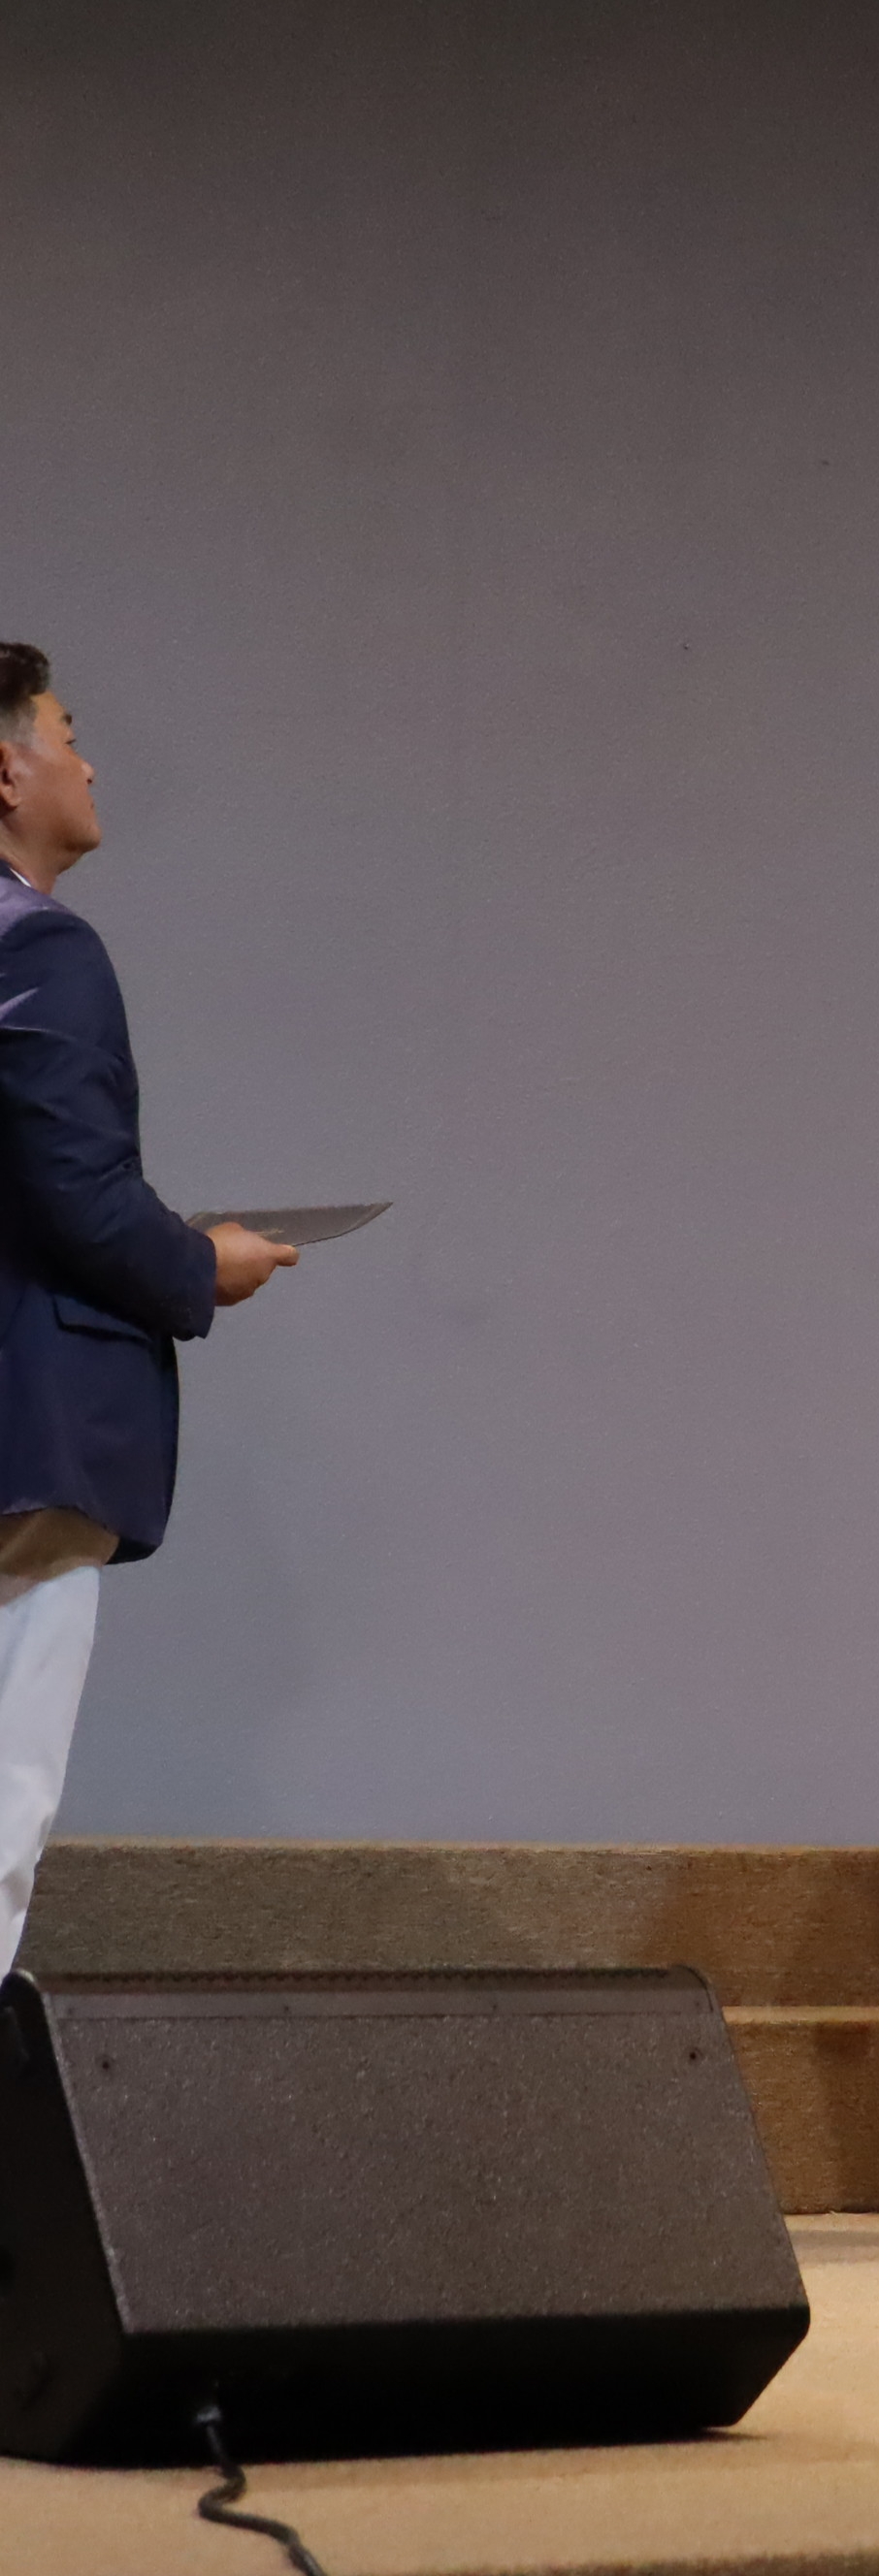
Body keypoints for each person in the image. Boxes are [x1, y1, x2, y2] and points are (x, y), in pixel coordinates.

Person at [0, 644, 296, 1972]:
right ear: (7, 771)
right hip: (25, 1446)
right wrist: (199, 1262)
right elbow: (77, 1195)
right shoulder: (39, 947)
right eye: (66, 733)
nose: (88, 760)